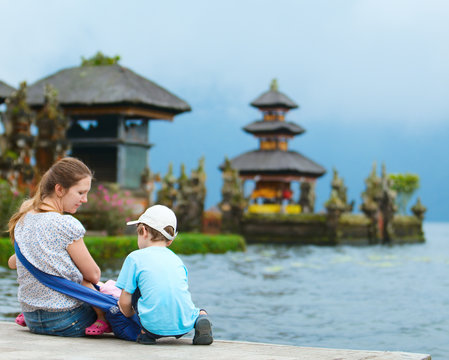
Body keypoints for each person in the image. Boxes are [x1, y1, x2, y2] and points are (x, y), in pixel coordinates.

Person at [8, 157, 110, 337]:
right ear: (60, 189)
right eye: (80, 193)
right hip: (67, 321)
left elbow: (13, 262)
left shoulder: (23, 219)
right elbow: (93, 274)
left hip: (32, 319)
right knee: (101, 289)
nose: (85, 199)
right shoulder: (64, 224)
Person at [116, 204, 213, 345]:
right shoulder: (177, 260)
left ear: (143, 231)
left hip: (152, 326)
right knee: (198, 311)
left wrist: (130, 315)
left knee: (135, 289)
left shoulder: (135, 258)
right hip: (184, 324)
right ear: (170, 240)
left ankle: (146, 333)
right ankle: (201, 318)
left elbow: (124, 301)